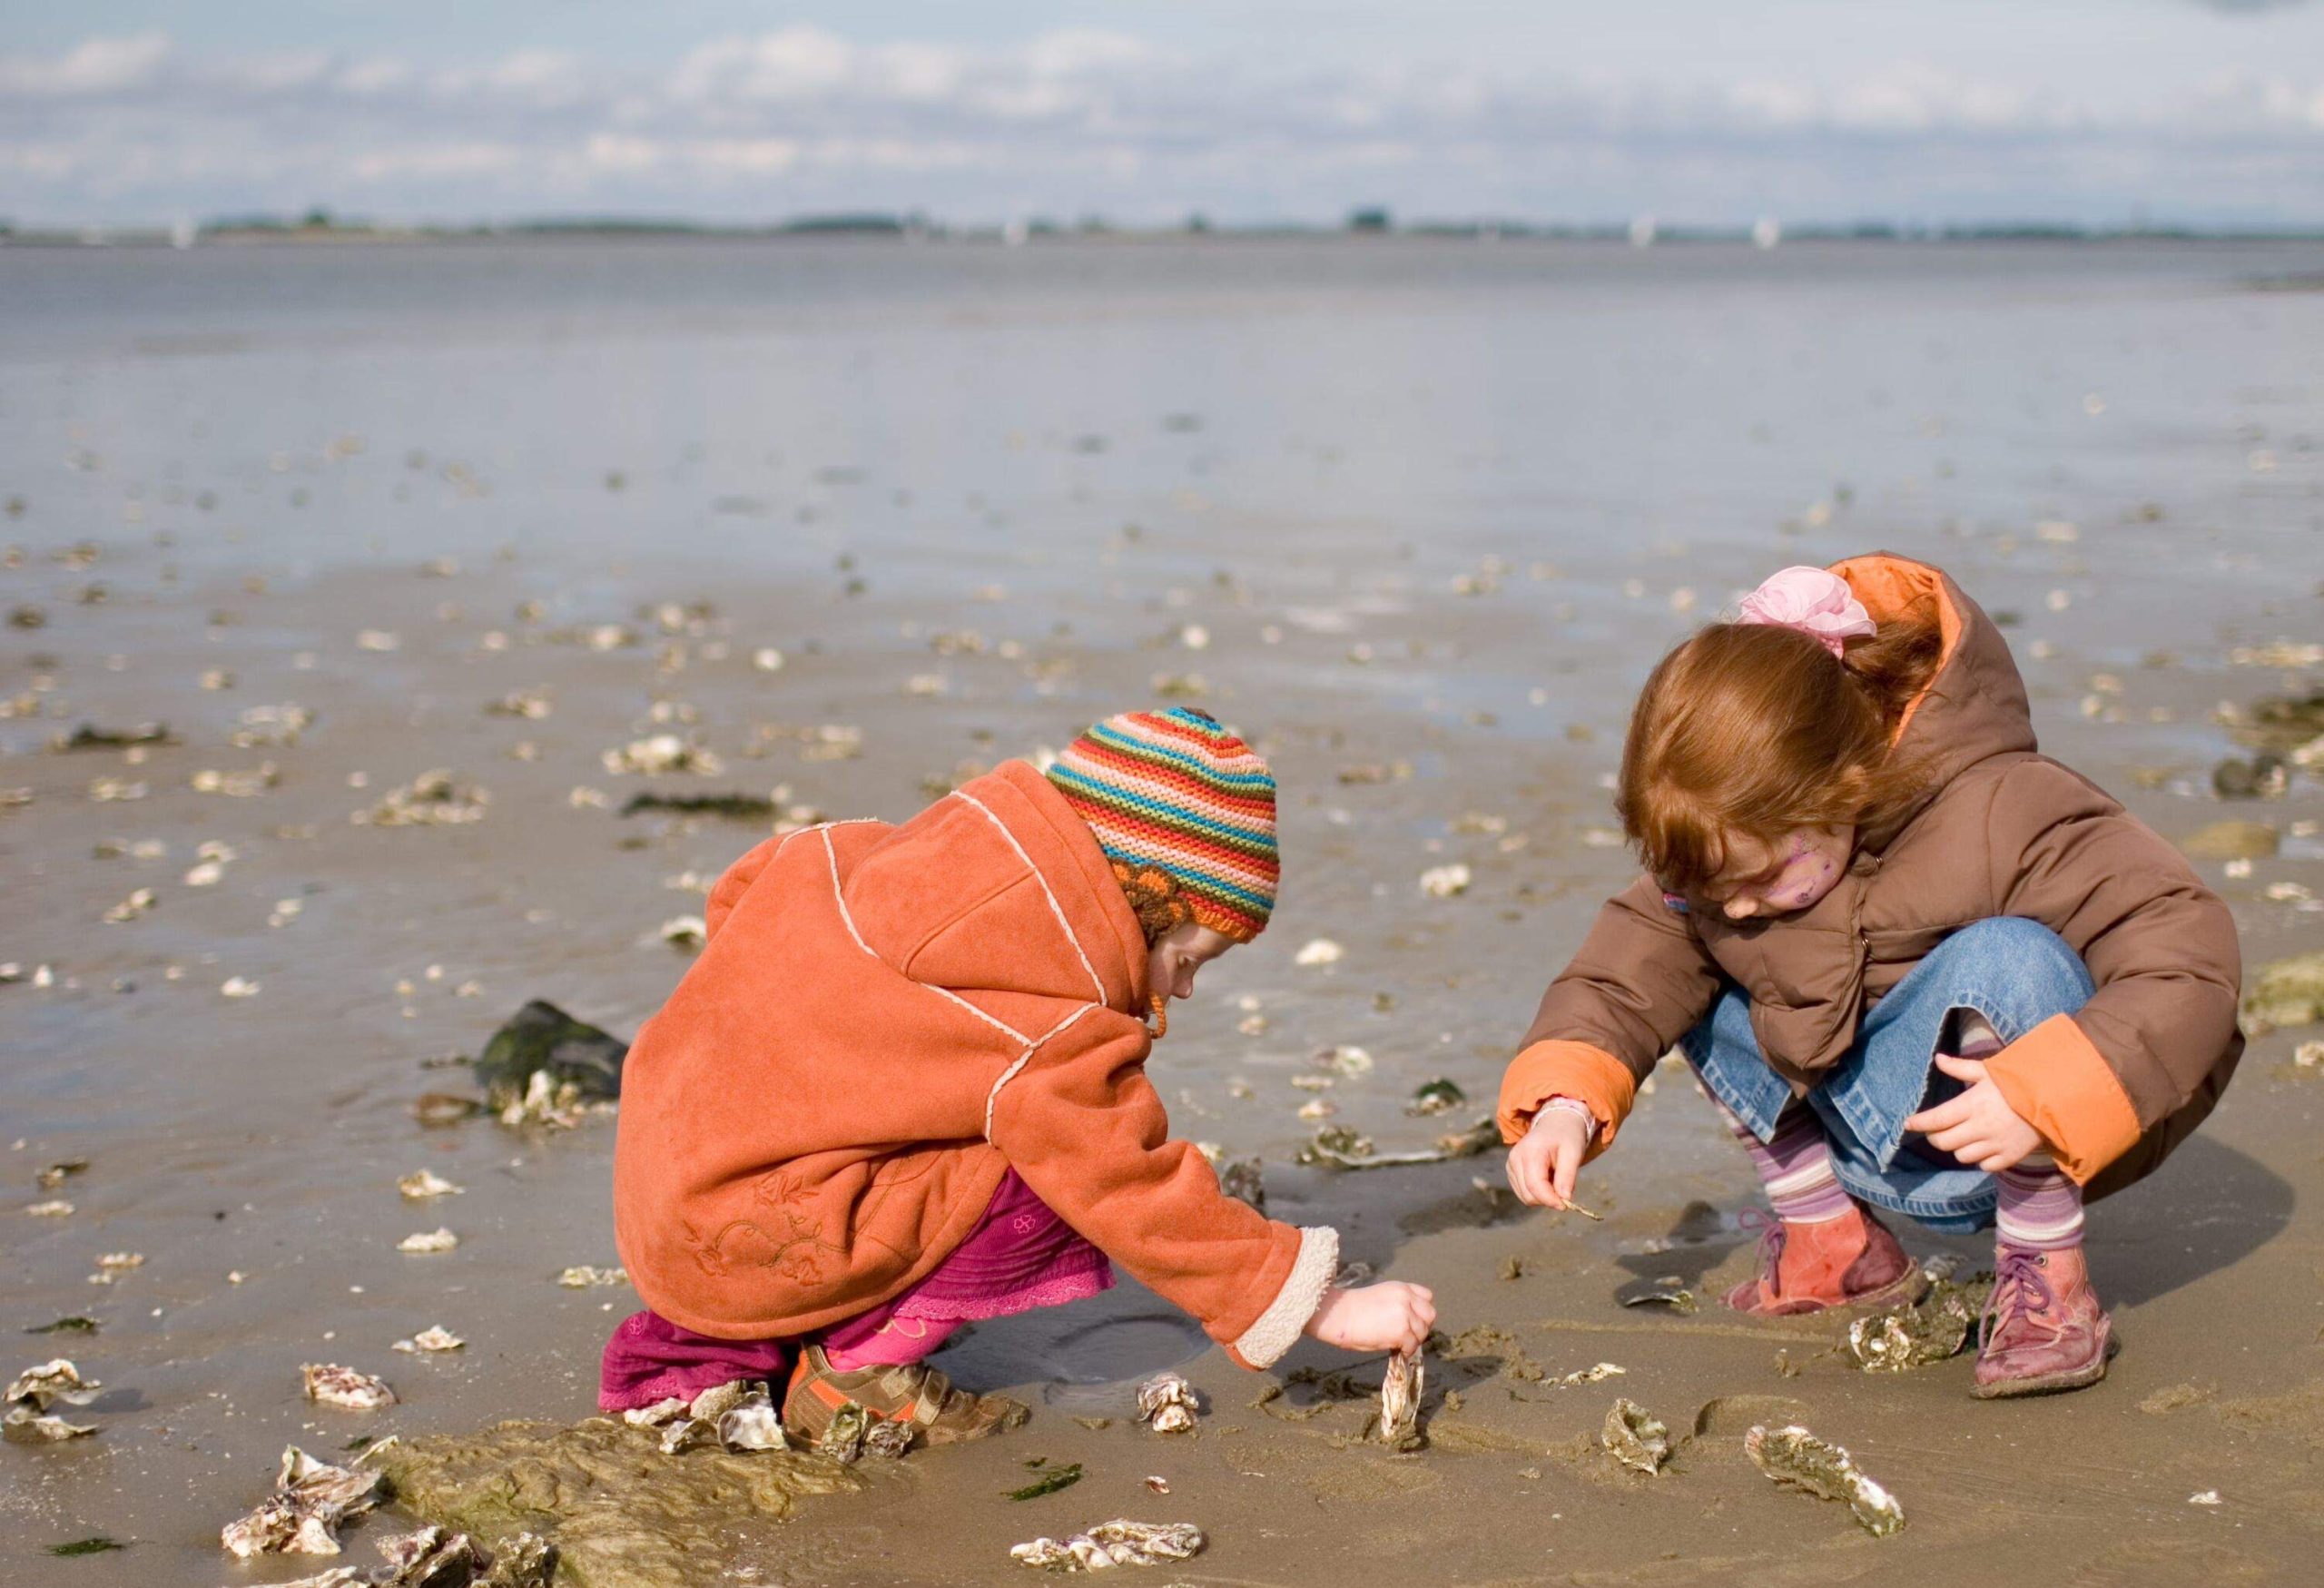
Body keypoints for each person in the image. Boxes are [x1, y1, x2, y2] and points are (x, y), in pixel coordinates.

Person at [1500, 556, 2240, 1397]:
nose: (1738, 908)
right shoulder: (1728, 867)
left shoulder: (2005, 810)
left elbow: (2186, 946)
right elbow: (1620, 976)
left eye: (1760, 876)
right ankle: (1830, 1241)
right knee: (1679, 950)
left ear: (1843, 789)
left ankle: (2046, 1282)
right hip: (1848, 1130)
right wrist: (1564, 1102)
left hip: (2012, 1135)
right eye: (1714, 884)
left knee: (2010, 955)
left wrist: (2053, 1092)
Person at [604, 706, 1434, 1441]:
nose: (1182, 987)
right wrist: (1311, 1300)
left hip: (670, 1194)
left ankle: (738, 1332)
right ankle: (859, 1368)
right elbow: (1128, 1184)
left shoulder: (866, 851)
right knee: (1049, 1163)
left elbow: (741, 890)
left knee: (959, 1108)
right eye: (1187, 957)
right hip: (768, 1231)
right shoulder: (1043, 1015)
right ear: (1139, 899)